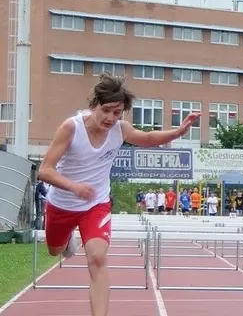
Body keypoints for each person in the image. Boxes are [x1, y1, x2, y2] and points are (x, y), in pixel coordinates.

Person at [38, 73, 200, 316]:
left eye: (117, 113)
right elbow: (45, 170)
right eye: (106, 111)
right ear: (95, 105)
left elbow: (146, 138)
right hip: (62, 204)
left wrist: (177, 133)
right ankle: (67, 239)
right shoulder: (72, 127)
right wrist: (74, 186)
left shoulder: (120, 130)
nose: (111, 118)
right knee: (54, 250)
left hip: (96, 204)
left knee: (97, 258)